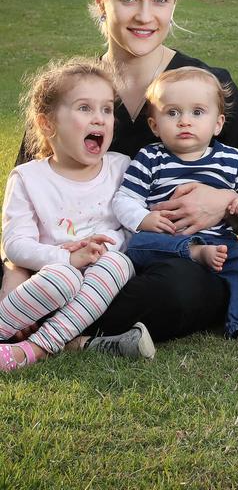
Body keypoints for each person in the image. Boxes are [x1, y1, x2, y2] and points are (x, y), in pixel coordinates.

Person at [4, 0, 238, 342]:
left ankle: (51, 324)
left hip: (170, 260)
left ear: (175, 1)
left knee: (185, 291)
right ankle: (51, 317)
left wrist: (224, 203)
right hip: (68, 255)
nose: (145, 15)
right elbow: (26, 200)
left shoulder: (207, 89)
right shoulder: (74, 92)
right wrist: (15, 274)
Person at [1, 59, 155, 370]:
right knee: (64, 277)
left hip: (100, 286)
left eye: (107, 109)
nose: (99, 118)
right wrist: (66, 259)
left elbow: (131, 227)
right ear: (47, 124)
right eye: (85, 108)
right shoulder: (28, 178)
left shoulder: (122, 167)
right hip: (45, 279)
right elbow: (15, 244)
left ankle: (35, 348)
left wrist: (97, 248)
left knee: (119, 261)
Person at [113, 67, 238, 346]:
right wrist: (144, 220)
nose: (184, 121)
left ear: (218, 123)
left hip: (219, 243)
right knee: (137, 245)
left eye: (197, 112)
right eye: (172, 113)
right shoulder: (150, 158)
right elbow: (124, 199)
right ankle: (194, 252)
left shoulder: (230, 158)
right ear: (154, 125)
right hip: (163, 241)